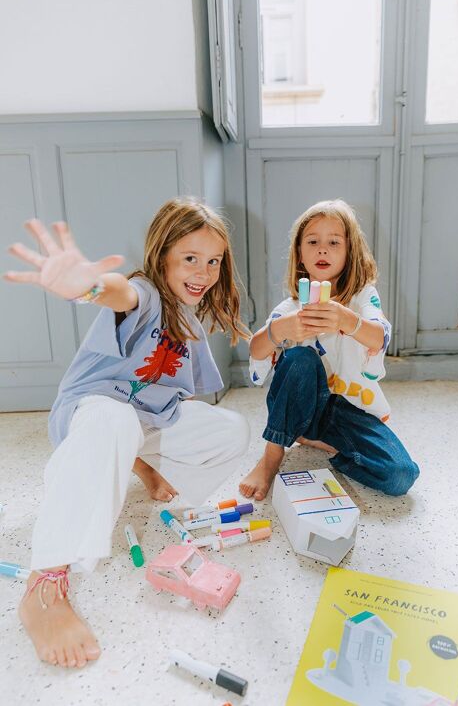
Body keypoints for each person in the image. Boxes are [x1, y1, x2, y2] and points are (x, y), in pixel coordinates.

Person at [4, 197, 250, 668]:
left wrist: (148, 468)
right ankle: (46, 585)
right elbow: (119, 292)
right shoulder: (146, 293)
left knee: (230, 430)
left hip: (136, 425)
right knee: (115, 419)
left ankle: (116, 485)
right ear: (162, 259)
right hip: (90, 415)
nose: (204, 271)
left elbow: (171, 401)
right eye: (190, 259)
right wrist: (88, 285)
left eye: (214, 261)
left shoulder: (190, 325)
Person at [239, 199, 419, 501]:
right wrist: (280, 329)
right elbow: (257, 349)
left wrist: (349, 321)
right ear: (299, 253)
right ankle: (272, 454)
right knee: (299, 358)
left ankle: (321, 440)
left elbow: (379, 337)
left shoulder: (363, 298)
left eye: (334, 242)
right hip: (303, 403)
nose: (322, 249)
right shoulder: (292, 306)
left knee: (401, 475)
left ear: (350, 252)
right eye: (313, 241)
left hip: (348, 411)